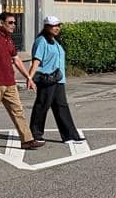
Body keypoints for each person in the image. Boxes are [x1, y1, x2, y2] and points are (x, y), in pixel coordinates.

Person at [0, 11, 43, 151]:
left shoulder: (9, 39)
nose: (13, 25)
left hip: (10, 82)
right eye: (10, 22)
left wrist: (28, 77)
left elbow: (17, 60)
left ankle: (27, 140)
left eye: (14, 23)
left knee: (18, 111)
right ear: (1, 23)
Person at [28, 15, 84, 144]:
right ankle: (35, 134)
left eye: (58, 25)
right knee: (42, 105)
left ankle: (70, 135)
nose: (57, 28)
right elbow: (36, 61)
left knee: (62, 106)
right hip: (47, 79)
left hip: (58, 79)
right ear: (47, 26)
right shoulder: (42, 41)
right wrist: (30, 78)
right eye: (54, 26)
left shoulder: (55, 41)